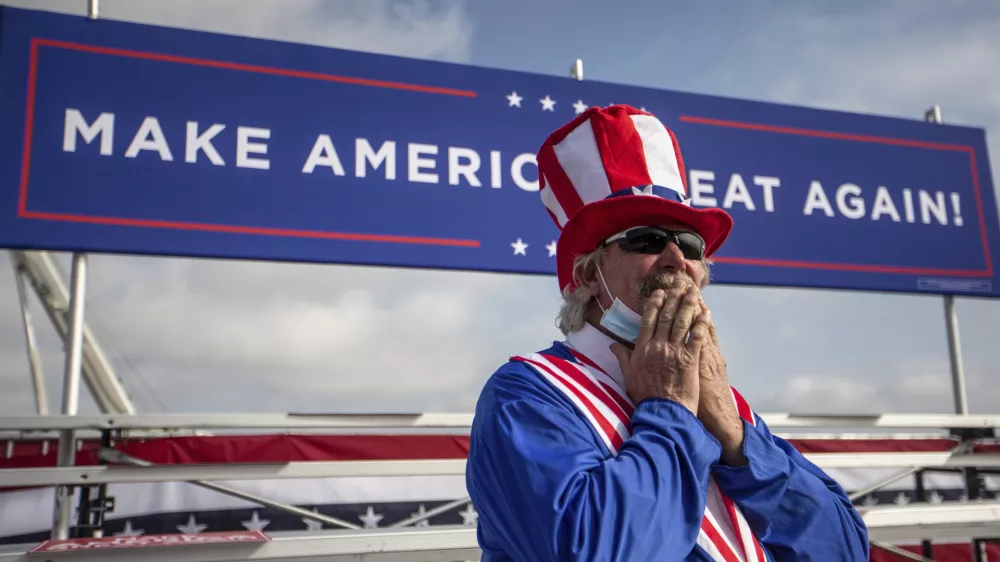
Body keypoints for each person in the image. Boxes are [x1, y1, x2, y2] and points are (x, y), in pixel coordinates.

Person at [465, 105, 870, 561]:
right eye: (647, 239)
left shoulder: (725, 405)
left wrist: (737, 442)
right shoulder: (526, 394)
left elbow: (845, 549)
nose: (678, 260)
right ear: (586, 275)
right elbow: (598, 552)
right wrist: (670, 409)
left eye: (691, 244)